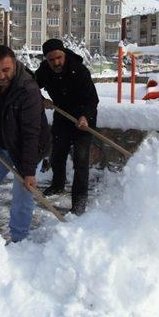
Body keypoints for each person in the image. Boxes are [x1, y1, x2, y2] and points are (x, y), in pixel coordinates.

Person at [0, 45, 50, 242]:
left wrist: (29, 171)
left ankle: (19, 238)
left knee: (23, 195)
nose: (1, 76)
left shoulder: (27, 88)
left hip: (26, 149)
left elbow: (31, 133)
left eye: (6, 70)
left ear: (14, 64)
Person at [35, 38, 99, 215]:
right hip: (62, 116)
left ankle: (79, 203)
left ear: (64, 54)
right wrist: (41, 100)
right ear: (46, 59)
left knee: (80, 162)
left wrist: (85, 117)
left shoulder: (79, 70)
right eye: (51, 59)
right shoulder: (44, 71)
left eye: (58, 58)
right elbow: (30, 86)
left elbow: (92, 99)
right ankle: (57, 185)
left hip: (83, 119)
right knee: (57, 156)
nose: (56, 62)